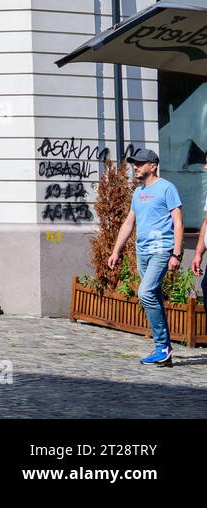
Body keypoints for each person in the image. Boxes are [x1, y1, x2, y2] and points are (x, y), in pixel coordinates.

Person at [108, 148, 183, 367]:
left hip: (162, 250)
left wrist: (177, 254)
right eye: (134, 163)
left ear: (153, 166)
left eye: (140, 163)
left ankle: (162, 347)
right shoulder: (138, 193)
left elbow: (178, 222)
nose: (136, 166)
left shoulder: (167, 188)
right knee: (155, 297)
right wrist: (115, 251)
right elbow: (129, 223)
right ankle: (165, 351)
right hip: (143, 251)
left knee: (146, 292)